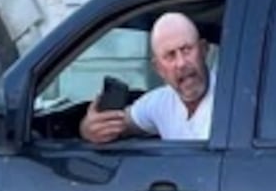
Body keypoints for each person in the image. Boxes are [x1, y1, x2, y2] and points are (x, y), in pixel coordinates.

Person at [80, 12, 213, 144]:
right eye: (170, 55)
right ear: (158, 69)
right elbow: (117, 124)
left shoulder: (230, 100)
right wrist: (88, 128)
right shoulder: (161, 102)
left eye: (186, 50)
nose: (181, 63)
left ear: (204, 50)